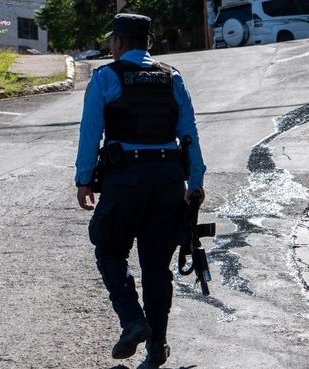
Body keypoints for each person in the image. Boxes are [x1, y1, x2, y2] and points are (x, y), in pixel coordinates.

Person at [74, 12, 207, 367]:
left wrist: (83, 180)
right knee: (156, 268)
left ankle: (133, 320)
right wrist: (195, 183)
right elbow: (189, 133)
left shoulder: (106, 77)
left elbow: (90, 133)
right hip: (167, 181)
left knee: (109, 249)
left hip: (125, 180)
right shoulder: (172, 77)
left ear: (118, 42)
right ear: (146, 42)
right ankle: (155, 350)